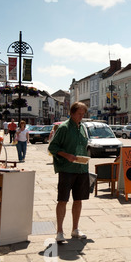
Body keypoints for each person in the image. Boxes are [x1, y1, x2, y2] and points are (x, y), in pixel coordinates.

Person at [48, 102, 89, 243]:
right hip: (66, 169)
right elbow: (52, 147)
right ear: (72, 113)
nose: (82, 116)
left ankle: (75, 229)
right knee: (63, 200)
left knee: (78, 200)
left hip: (81, 169)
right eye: (79, 114)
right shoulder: (64, 128)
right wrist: (67, 155)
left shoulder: (82, 127)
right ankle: (59, 231)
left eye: (83, 114)